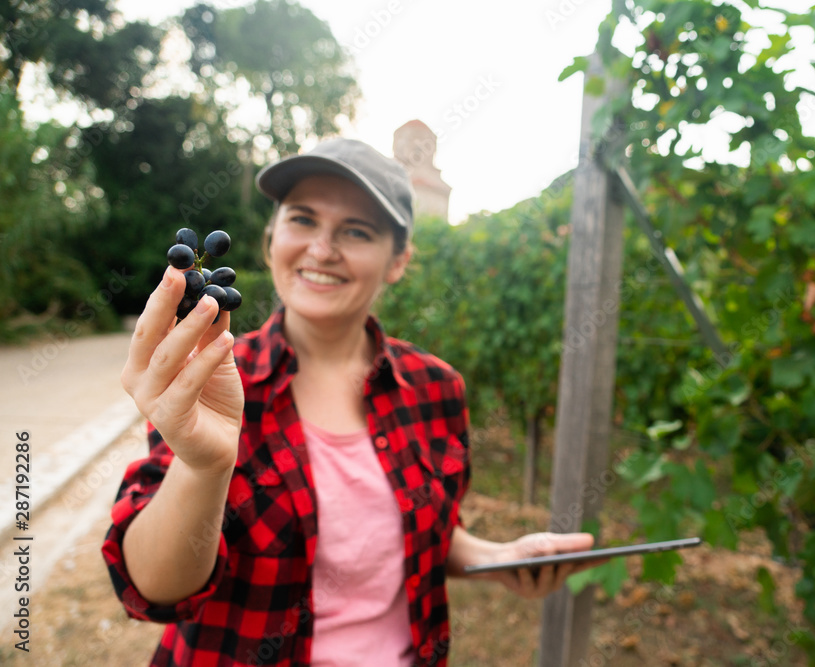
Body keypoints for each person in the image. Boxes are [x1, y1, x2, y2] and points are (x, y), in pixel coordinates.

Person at [103, 138, 601, 666]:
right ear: (272, 238)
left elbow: (420, 528)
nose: (321, 249)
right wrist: (204, 467)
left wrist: (497, 556)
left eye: (356, 231)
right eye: (302, 220)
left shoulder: (437, 388)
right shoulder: (211, 378)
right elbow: (155, 588)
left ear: (398, 261)